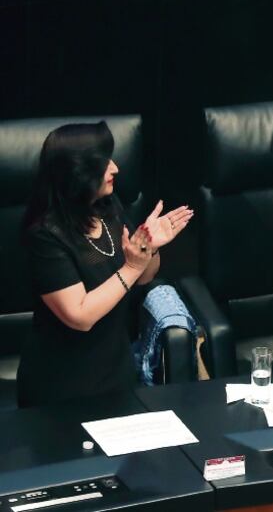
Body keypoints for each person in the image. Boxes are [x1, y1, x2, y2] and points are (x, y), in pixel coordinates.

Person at [17, 122, 193, 407]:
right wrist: (132, 267)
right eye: (104, 162)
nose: (115, 168)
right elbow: (80, 315)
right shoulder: (46, 234)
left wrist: (150, 248)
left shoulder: (107, 208)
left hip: (115, 370)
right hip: (60, 386)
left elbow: (144, 277)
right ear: (79, 171)